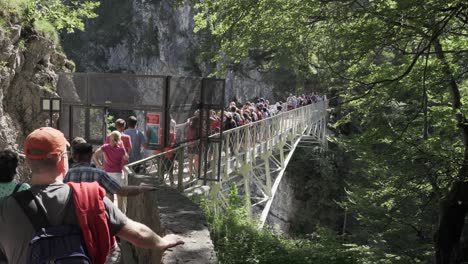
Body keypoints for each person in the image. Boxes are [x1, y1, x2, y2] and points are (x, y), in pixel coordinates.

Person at [0, 127, 183, 263]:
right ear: (62, 160)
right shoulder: (89, 197)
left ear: (28, 163)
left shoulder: (5, 207)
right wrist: (161, 241)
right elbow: (137, 233)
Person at [64, 142, 155, 198]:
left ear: (75, 157)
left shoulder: (68, 174)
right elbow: (120, 191)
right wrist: (140, 189)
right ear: (90, 155)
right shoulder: (98, 174)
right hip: (93, 220)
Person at [93, 131, 128, 209]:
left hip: (107, 172)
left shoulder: (105, 147)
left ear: (110, 138)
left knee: (109, 193)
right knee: (119, 194)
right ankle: (119, 212)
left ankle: (110, 211)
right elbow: (126, 157)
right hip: (118, 173)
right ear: (119, 139)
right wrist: (122, 145)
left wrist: (100, 165)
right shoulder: (121, 150)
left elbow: (95, 155)